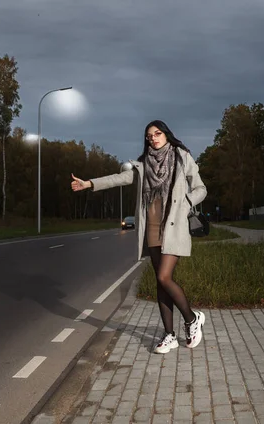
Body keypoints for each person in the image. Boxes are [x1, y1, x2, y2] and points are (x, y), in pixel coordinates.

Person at [70, 120, 207, 354]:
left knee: (165, 277)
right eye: (149, 136)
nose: (153, 138)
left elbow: (201, 189)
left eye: (157, 133)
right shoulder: (143, 165)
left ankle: (192, 319)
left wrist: (186, 203)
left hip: (173, 228)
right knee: (160, 282)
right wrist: (89, 183)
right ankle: (169, 335)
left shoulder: (182, 157)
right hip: (152, 229)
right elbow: (119, 178)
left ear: (166, 134)